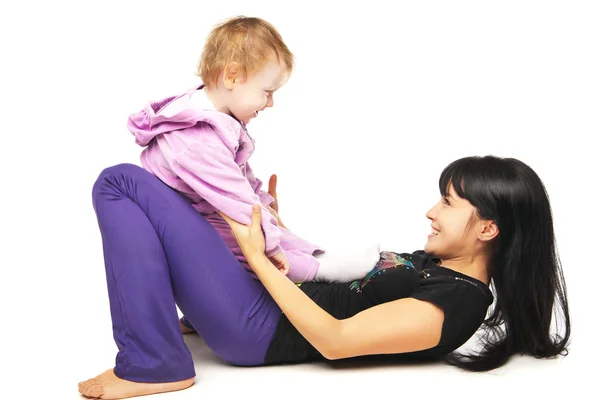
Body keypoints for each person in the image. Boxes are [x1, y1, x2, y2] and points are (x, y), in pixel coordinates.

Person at [78, 155, 570, 399]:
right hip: (259, 303)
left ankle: (154, 361)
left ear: (487, 228)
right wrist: (276, 233)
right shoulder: (434, 265)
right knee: (167, 192)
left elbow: (336, 339)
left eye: (446, 202)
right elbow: (340, 289)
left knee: (120, 183)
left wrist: (255, 263)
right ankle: (166, 333)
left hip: (254, 331)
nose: (430, 211)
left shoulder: (458, 302)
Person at [127, 15, 379, 284]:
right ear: (232, 76)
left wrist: (265, 205)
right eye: (267, 91)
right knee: (253, 243)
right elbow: (234, 198)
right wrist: (270, 244)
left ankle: (322, 258)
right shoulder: (194, 140)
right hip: (191, 222)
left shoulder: (215, 121)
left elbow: (240, 177)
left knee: (271, 229)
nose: (270, 103)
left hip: (206, 210)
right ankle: (320, 273)